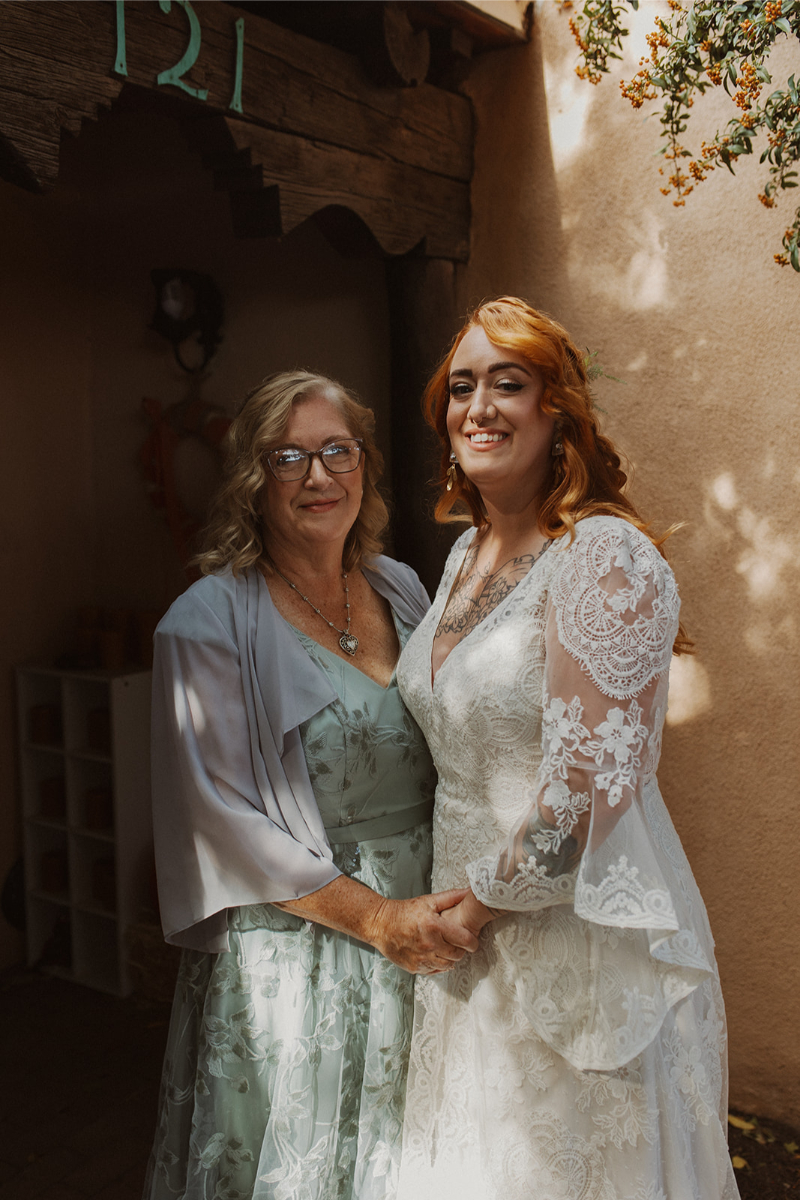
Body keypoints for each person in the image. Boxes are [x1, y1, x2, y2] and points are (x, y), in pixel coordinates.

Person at [395, 298, 740, 1200]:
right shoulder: (463, 555)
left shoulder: (603, 557)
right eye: (461, 386)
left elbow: (586, 792)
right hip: (467, 945)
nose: (479, 406)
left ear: (560, 413)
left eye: (510, 383)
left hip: (569, 944)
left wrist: (471, 913)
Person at [143, 370, 477, 1200]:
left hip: (426, 930)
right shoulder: (206, 621)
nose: (319, 476)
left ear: (364, 467)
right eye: (289, 458)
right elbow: (218, 818)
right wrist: (375, 919)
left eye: (338, 450)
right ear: (254, 483)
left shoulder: (401, 586)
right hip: (302, 955)